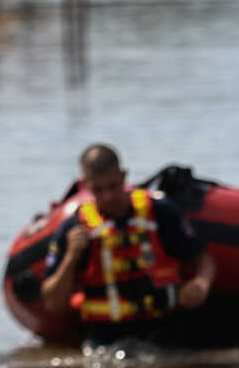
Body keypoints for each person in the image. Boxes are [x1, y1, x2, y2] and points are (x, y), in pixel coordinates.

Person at [37, 144, 216, 346]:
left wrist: (201, 284)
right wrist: (71, 256)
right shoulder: (74, 228)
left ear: (124, 176)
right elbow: (53, 303)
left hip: (164, 332)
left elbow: (203, 259)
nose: (108, 197)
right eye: (98, 189)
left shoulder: (159, 211)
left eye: (113, 186)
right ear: (85, 185)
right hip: (106, 341)